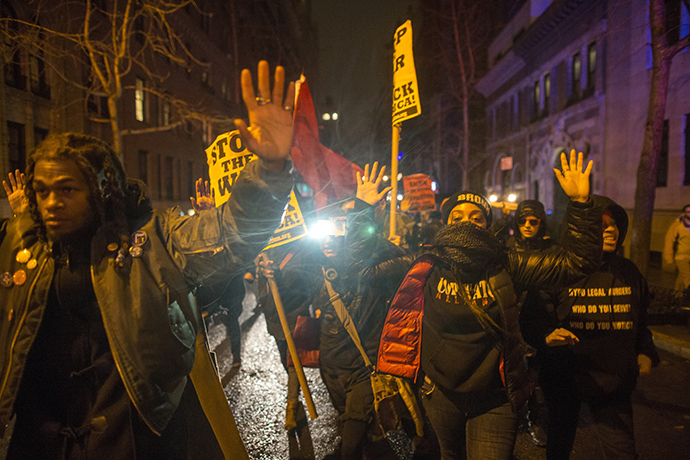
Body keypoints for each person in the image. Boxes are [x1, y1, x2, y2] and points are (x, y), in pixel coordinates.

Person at [0, 60, 295, 459]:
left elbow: (232, 234)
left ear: (102, 191)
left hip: (131, 440)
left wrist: (270, 171)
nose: (52, 203)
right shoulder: (19, 247)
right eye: (42, 190)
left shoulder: (153, 241)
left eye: (67, 189)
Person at [377, 151, 602, 460]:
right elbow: (363, 270)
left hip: (495, 399)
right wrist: (363, 211)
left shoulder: (507, 263)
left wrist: (580, 204)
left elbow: (577, 262)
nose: (466, 222)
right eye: (457, 217)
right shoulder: (427, 263)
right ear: (446, 223)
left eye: (476, 217)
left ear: (487, 225)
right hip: (441, 394)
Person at [521, 195, 660, 460]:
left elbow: (640, 321)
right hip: (564, 378)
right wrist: (546, 336)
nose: (611, 230)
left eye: (615, 224)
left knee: (623, 452)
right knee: (559, 447)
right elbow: (531, 319)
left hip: (613, 383)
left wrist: (645, 351)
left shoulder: (629, 272)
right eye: (601, 224)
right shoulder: (558, 268)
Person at [313, 162, 412, 460]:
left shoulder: (386, 258)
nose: (333, 234)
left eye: (345, 223)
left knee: (350, 445)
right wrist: (267, 270)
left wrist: (366, 212)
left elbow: (357, 264)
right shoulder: (315, 264)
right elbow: (286, 285)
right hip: (331, 366)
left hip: (365, 366)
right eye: (334, 224)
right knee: (354, 433)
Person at [663, 204, 690, 292]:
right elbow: (669, 240)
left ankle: (677, 296)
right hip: (681, 257)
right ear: (684, 213)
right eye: (688, 212)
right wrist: (669, 257)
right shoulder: (678, 225)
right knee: (688, 277)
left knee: (682, 278)